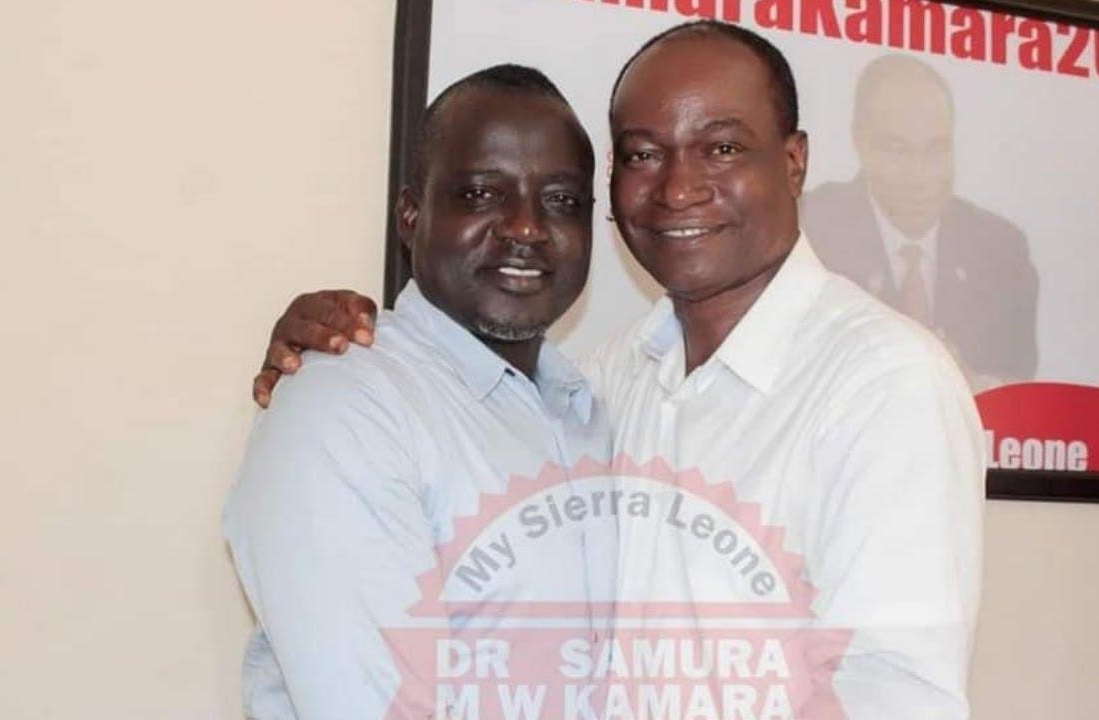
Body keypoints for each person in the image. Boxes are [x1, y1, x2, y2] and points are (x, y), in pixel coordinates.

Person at [252, 21, 984, 719]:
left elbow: (891, 694)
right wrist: (337, 353)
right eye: (642, 154)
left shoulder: (884, 383)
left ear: (793, 163)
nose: (678, 187)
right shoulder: (604, 384)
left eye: (722, 147)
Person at [224, 64, 614, 719]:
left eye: (562, 201)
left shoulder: (593, 411)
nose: (526, 227)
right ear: (411, 216)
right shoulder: (346, 406)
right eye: (482, 193)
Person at [800, 54, 1038, 389]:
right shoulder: (807, 227)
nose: (920, 176)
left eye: (937, 149)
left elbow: (1019, 387)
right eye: (897, 150)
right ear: (859, 143)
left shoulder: (1001, 249)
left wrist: (971, 386)